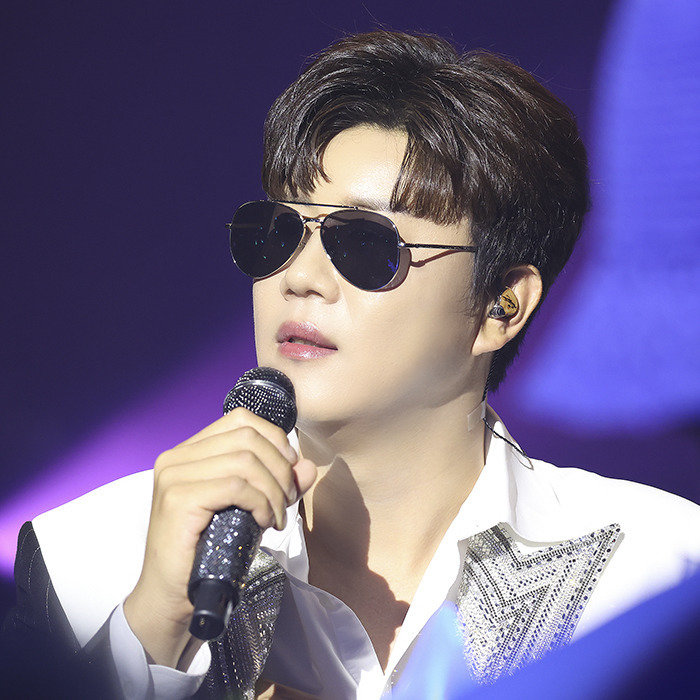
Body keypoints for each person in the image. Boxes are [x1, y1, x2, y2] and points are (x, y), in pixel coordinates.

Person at [4, 30, 699, 699]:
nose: (299, 278)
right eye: (278, 233)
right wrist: (154, 625)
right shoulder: (88, 556)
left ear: (501, 306)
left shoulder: (657, 573)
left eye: (366, 244)